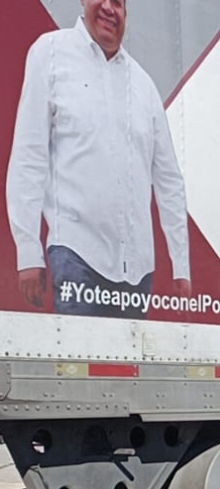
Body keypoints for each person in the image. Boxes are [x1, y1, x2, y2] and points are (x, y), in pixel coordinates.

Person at [6, 0, 191, 317]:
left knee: (128, 368)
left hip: (138, 275)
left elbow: (169, 181)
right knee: (79, 366)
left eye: (118, 3)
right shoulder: (50, 54)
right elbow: (28, 156)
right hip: (77, 258)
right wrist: (28, 252)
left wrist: (181, 265)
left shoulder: (143, 86)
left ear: (126, 12)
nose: (109, 8)